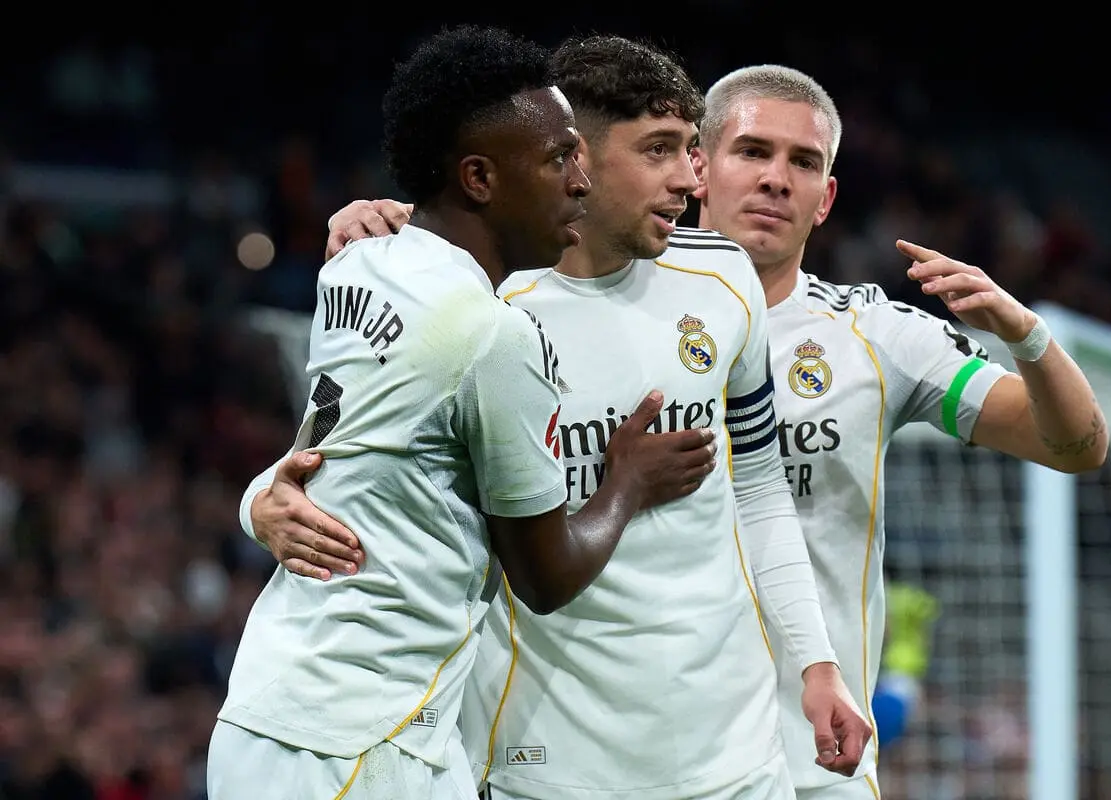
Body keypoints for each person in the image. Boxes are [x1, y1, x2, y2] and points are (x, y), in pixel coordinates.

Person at [315, 61, 1111, 799]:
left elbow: (1074, 446)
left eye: (804, 163)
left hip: (811, 745)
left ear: (826, 198)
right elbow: (363, 445)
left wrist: (1027, 335)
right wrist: (397, 238)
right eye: (752, 151)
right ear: (701, 171)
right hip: (603, 742)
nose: (775, 178)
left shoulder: (878, 333)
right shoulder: (511, 305)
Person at [240, 36, 873, 800]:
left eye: (689, 148)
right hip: (537, 759)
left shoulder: (723, 279)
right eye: (659, 150)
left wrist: (816, 661)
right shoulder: (483, 306)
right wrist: (262, 498)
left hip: (731, 755)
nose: (690, 176)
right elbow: (348, 455)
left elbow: (762, 485)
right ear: (580, 159)